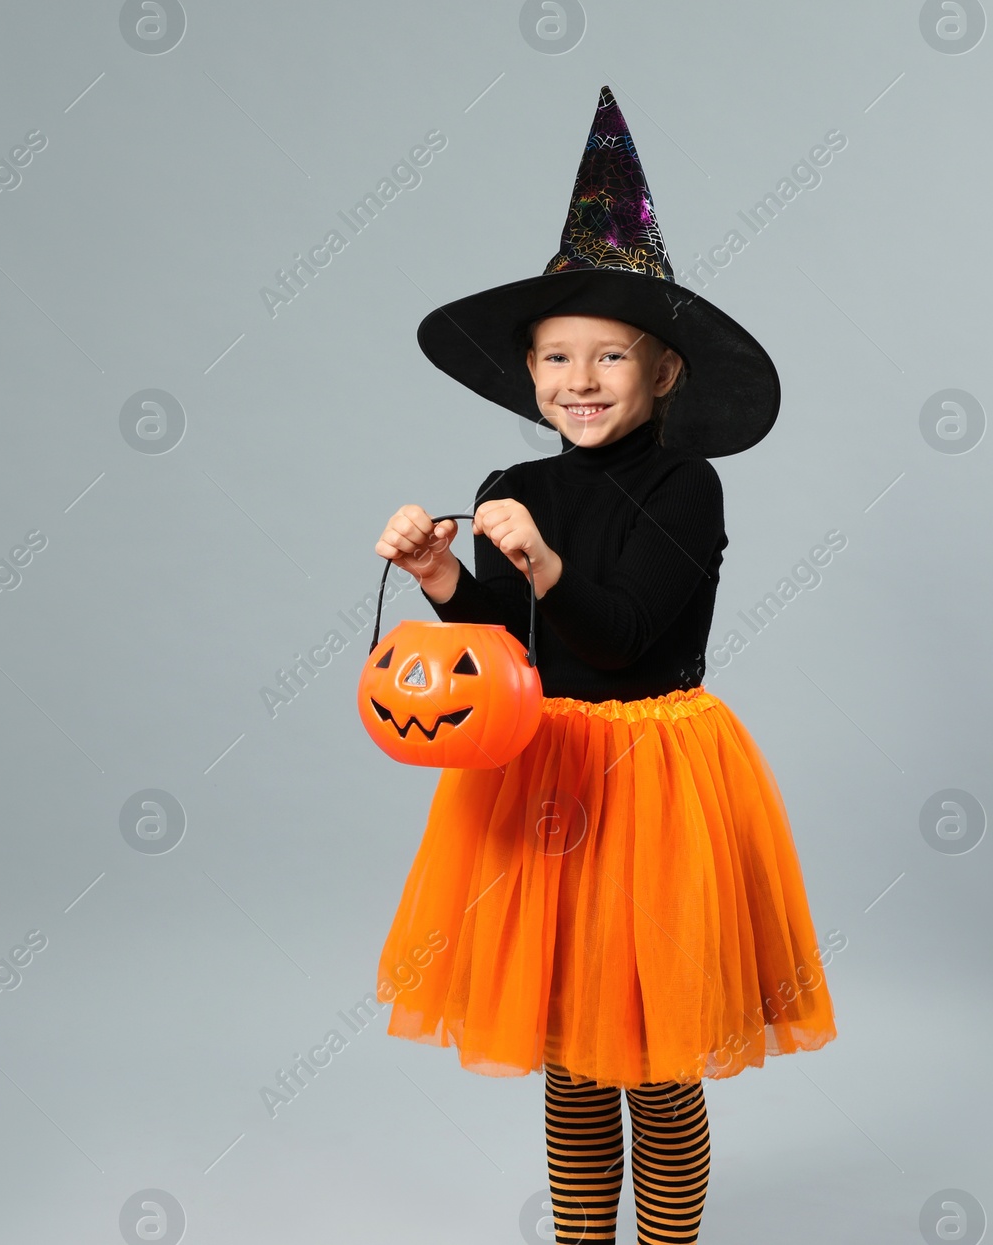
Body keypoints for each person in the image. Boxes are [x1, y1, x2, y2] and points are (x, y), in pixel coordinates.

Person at [371, 88, 837, 1245]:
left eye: (609, 356)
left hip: (651, 781)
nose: (579, 379)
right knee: (572, 1055)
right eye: (555, 357)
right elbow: (511, 647)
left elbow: (621, 634)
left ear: (662, 373)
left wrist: (539, 561)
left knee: (655, 1062)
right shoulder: (509, 483)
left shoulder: (688, 484)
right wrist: (443, 578)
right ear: (526, 372)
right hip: (543, 771)